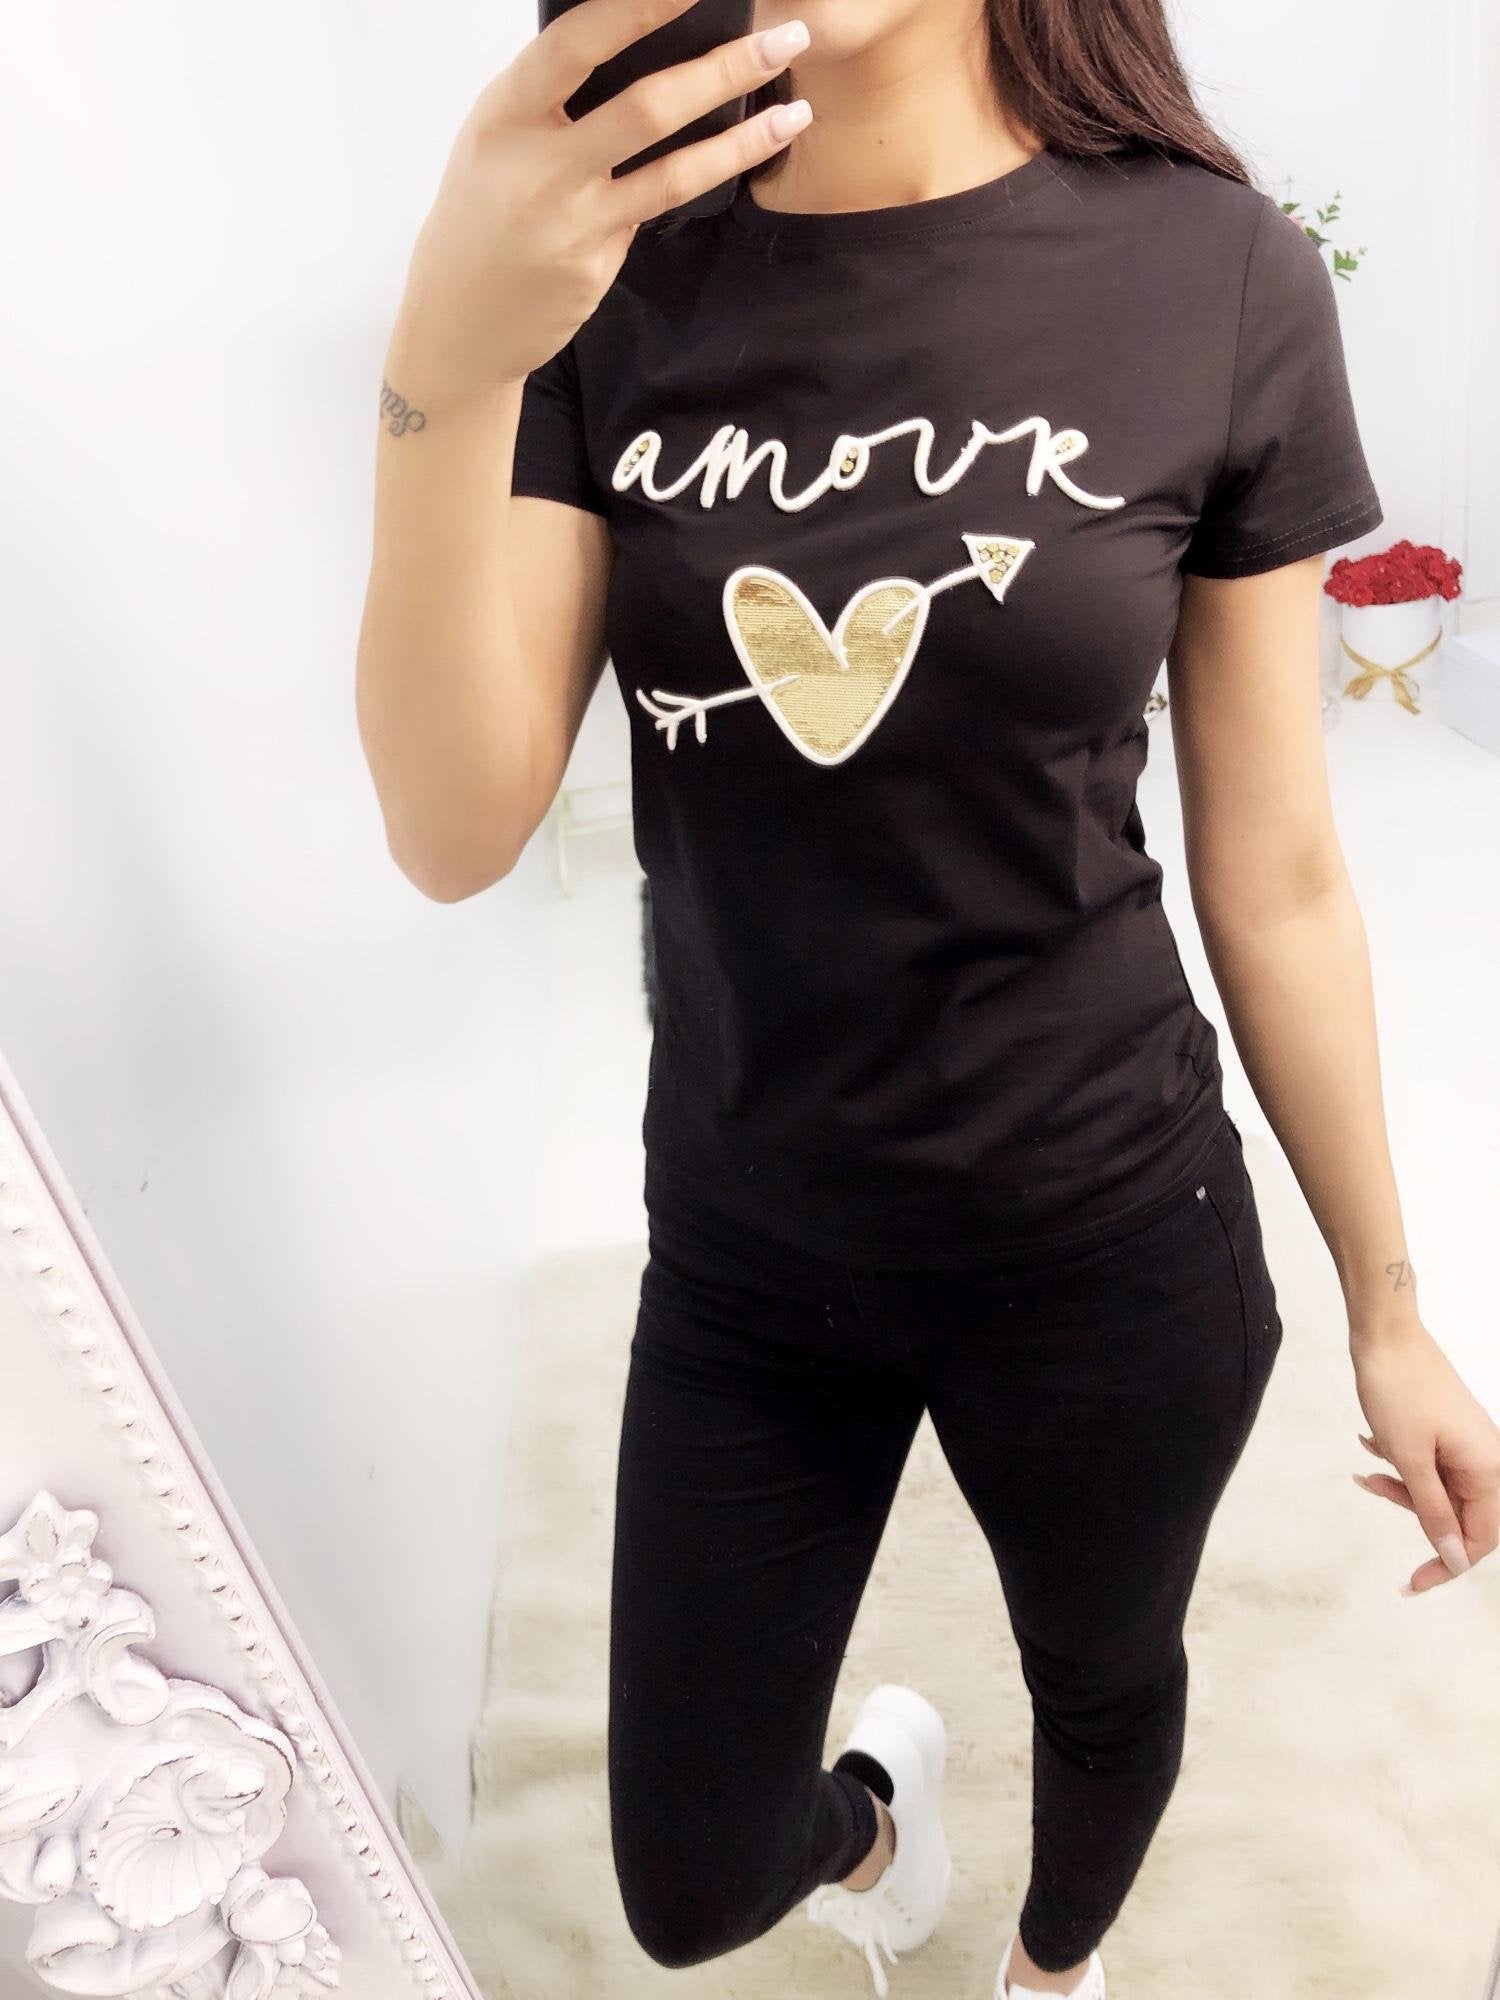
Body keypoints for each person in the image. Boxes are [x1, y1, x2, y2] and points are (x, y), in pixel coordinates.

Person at [354, 0, 1500, 1993]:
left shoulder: (1215, 272)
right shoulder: (606, 272)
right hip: (747, 1239)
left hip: (1110, 1221)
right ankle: (881, 1817)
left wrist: (1390, 1309)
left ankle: (1054, 1968)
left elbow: (1281, 867)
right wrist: (443, 363)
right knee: (691, 1880)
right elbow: (454, 831)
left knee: (1105, 1683)